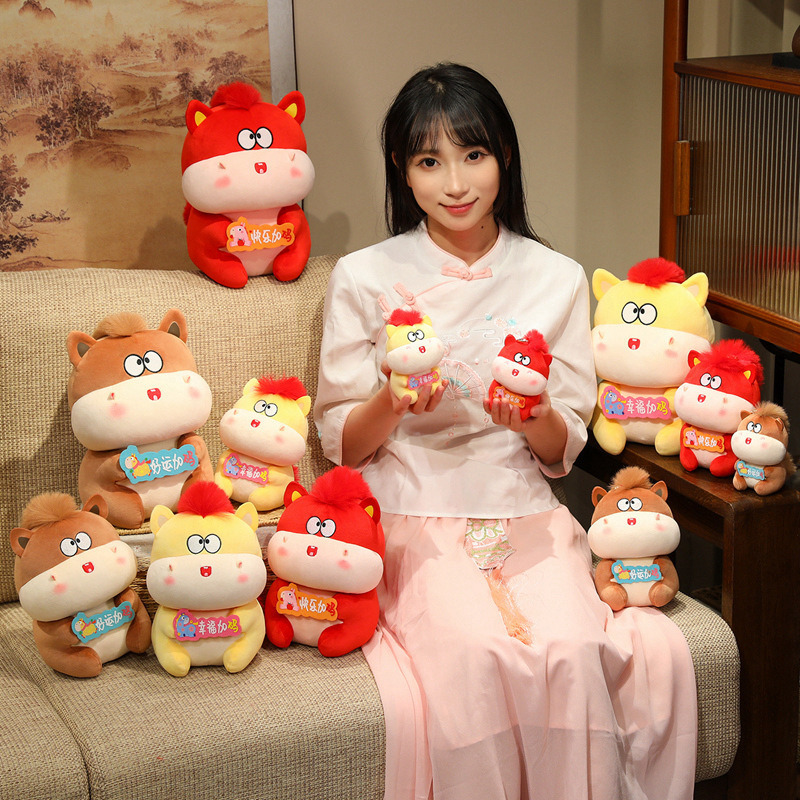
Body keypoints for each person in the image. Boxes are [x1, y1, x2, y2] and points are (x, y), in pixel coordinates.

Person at [314, 62, 697, 800]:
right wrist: (394, 400)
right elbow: (345, 445)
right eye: (430, 162)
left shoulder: (556, 277)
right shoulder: (364, 276)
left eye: (474, 155)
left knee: (572, 649)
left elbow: (562, 451)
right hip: (411, 506)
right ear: (401, 167)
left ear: (505, 156)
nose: (456, 184)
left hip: (521, 504)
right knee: (472, 656)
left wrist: (534, 414)